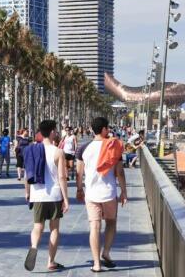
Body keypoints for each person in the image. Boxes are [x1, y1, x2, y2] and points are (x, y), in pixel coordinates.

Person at [76, 117, 128, 273]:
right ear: (104, 129)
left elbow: (79, 172)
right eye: (108, 129)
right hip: (109, 192)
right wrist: (124, 191)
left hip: (91, 193)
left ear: (92, 130)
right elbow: (119, 172)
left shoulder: (83, 148)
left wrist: (79, 189)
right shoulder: (114, 146)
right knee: (111, 223)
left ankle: (97, 263)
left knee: (94, 226)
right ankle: (106, 252)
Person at [23, 120, 69, 272]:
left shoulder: (32, 150)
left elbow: (27, 174)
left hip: (37, 194)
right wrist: (66, 199)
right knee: (54, 228)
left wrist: (27, 192)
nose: (56, 133)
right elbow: (62, 177)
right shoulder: (58, 152)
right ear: (51, 132)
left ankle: (34, 246)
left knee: (38, 226)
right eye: (55, 130)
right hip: (54, 195)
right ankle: (51, 261)